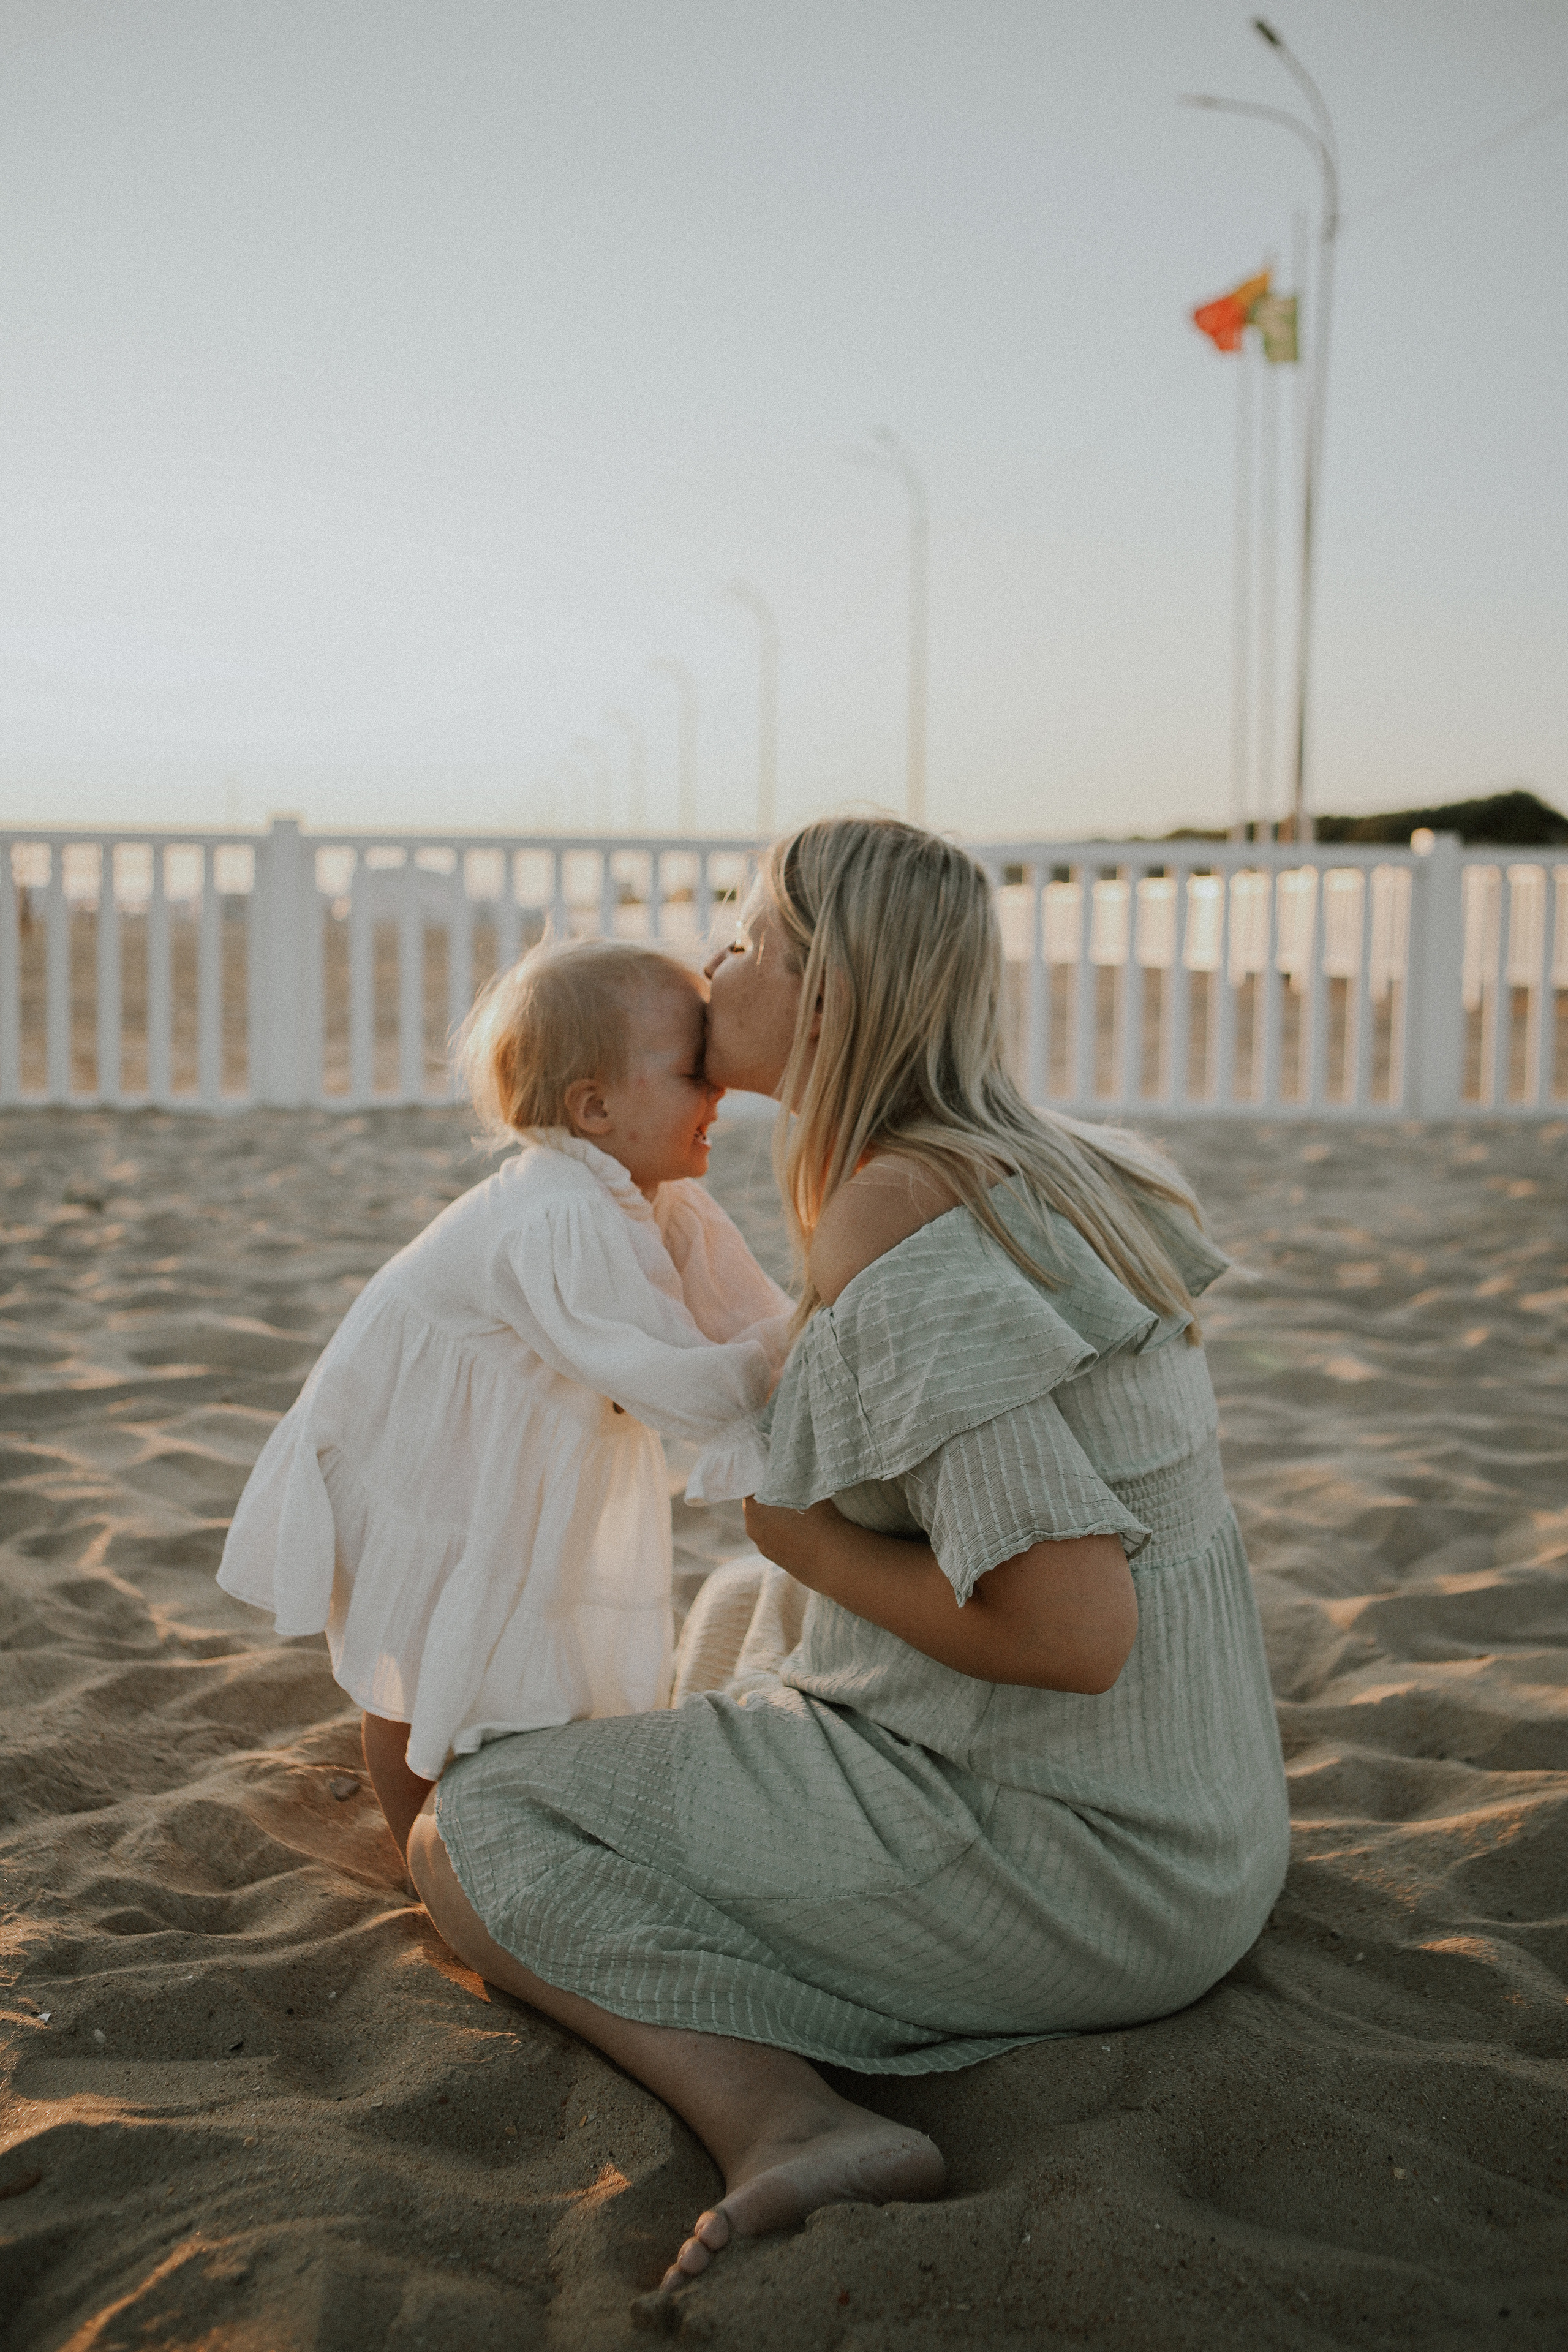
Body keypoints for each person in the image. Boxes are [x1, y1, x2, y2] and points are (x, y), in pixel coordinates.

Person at [409, 817, 1289, 2294]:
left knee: (473, 1828)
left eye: (743, 939)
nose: (712, 964)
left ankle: (786, 2117)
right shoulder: (1060, 1160)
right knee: (742, 1612)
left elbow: (1076, 1633)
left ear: (823, 996)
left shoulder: (897, 1208)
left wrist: (793, 1529)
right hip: (1206, 1834)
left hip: (1090, 1876)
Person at [218, 936, 791, 1857]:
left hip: (508, 1453)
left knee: (512, 1638)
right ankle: (423, 1861)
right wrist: (797, 1352)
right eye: (695, 1070)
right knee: (413, 1657)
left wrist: (803, 1337)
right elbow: (668, 1376)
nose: (721, 1091)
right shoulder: (559, 1211)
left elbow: (743, 1317)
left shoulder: (655, 1193)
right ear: (594, 1106)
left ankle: (491, 1821)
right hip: (422, 1455)